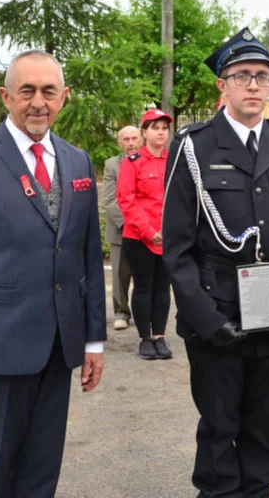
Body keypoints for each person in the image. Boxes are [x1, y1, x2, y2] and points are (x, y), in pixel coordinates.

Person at [162, 27, 269, 498]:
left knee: (261, 429)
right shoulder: (193, 147)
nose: (253, 85)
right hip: (215, 310)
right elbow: (177, 248)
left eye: (262, 76)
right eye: (242, 76)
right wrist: (206, 319)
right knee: (218, 430)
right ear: (223, 85)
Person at [0, 50, 106, 498]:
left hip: (59, 347)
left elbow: (87, 258)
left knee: (42, 468)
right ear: (5, 96)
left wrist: (93, 340)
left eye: (49, 91)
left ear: (63, 97)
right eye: (27, 91)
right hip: (0, 348)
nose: (38, 102)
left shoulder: (76, 162)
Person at [117, 108, 174, 360]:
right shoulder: (133, 163)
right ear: (144, 132)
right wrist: (149, 231)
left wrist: (171, 229)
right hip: (139, 236)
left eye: (164, 128)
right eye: (155, 128)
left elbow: (181, 198)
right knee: (143, 286)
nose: (160, 132)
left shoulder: (174, 161)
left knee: (163, 287)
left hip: (168, 235)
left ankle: (160, 336)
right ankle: (145, 337)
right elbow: (126, 200)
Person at [102, 125, 140, 330]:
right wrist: (132, 224)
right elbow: (109, 200)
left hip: (148, 231)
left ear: (141, 140)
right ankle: (121, 312)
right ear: (119, 143)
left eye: (134, 138)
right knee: (120, 274)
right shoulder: (111, 165)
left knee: (146, 274)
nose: (131, 143)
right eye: (126, 139)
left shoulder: (149, 162)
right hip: (121, 229)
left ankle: (146, 313)